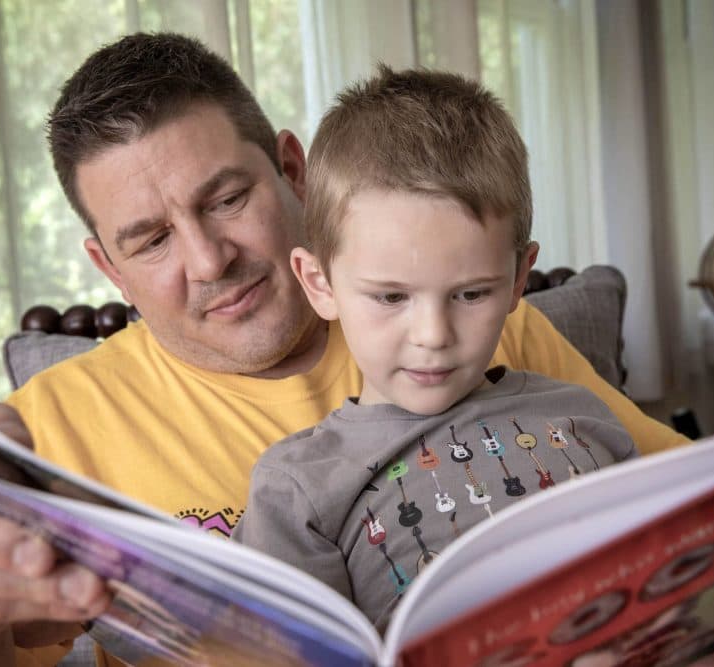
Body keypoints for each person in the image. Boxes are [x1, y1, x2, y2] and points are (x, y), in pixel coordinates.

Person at [0, 32, 714, 667]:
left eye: (227, 198)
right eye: (151, 238)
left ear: (291, 168)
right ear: (105, 263)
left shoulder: (492, 331)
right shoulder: (44, 432)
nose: (210, 258)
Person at [232, 65, 642, 631]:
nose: (433, 334)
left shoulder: (585, 417)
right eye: (391, 296)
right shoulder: (297, 485)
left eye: (471, 293)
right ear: (320, 284)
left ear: (520, 278)